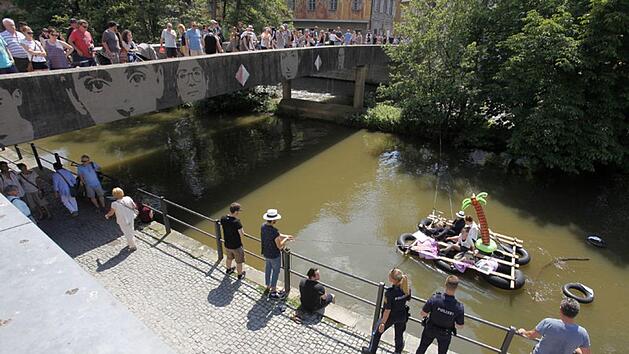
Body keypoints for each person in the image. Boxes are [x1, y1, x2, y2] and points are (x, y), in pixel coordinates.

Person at [362, 269, 411, 354]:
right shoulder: (406, 288)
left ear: (393, 280)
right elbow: (408, 298)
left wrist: (383, 323)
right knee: (399, 334)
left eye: (389, 275)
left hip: (391, 317)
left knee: (377, 332)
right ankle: (398, 351)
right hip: (402, 315)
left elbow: (387, 310)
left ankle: (371, 351)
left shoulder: (389, 293)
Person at [517, 298, 591, 354]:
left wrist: (523, 332)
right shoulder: (582, 333)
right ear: (576, 313)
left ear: (560, 309)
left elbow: (531, 335)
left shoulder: (548, 322)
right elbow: (586, 353)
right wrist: (574, 348)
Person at [415, 275, 465, 354]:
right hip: (445, 334)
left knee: (422, 348)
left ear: (445, 284)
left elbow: (422, 313)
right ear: (456, 288)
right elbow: (460, 326)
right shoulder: (459, 307)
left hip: (430, 329)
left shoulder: (435, 299)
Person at [261, 208, 293, 299]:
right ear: (274, 220)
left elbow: (277, 235)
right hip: (274, 255)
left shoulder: (263, 226)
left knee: (268, 269)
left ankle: (268, 286)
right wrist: (286, 239)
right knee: (275, 272)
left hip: (266, 253)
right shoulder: (274, 231)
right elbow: (279, 246)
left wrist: (286, 236)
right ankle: (273, 291)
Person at [220, 202, 246, 280]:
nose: (239, 213)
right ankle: (239, 275)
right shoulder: (236, 221)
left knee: (229, 258)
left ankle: (228, 270)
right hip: (236, 246)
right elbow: (242, 234)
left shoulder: (223, 218)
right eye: (238, 211)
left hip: (227, 244)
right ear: (235, 212)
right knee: (239, 262)